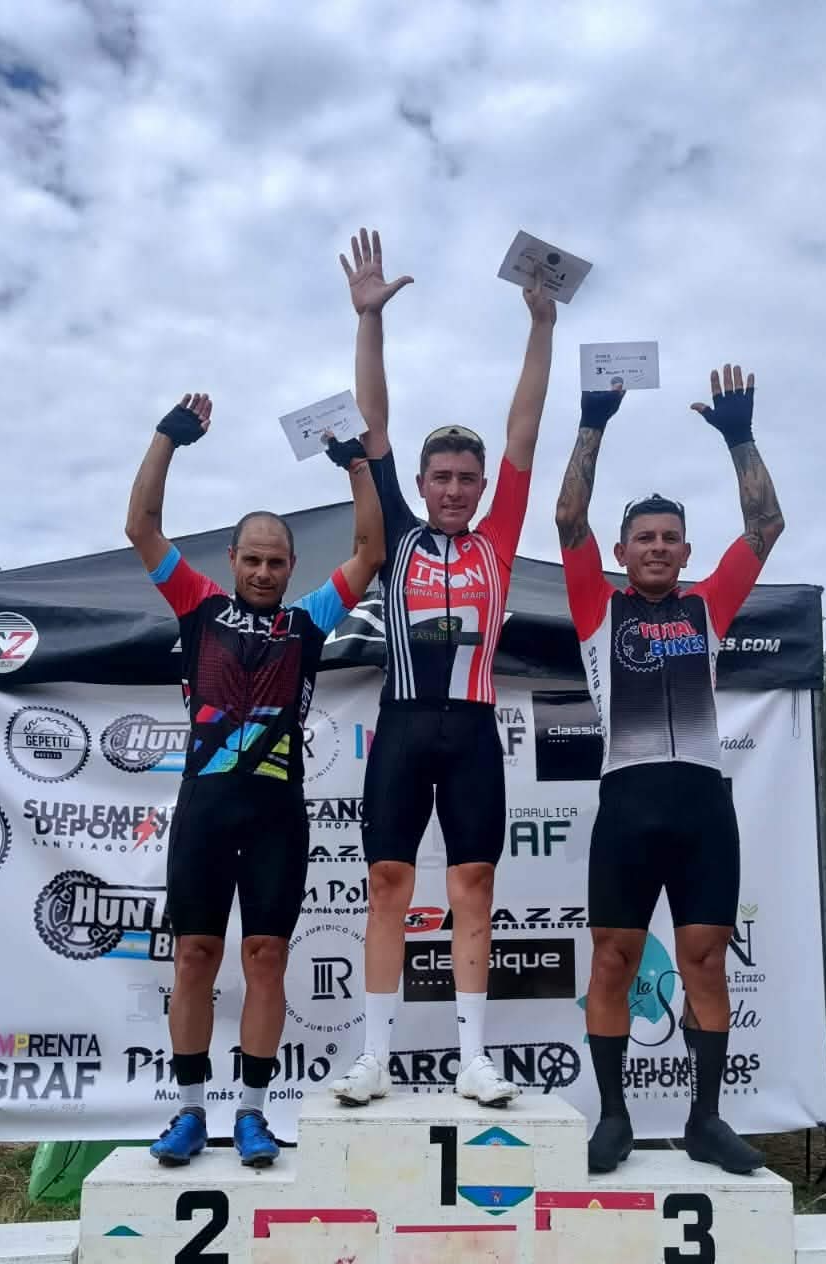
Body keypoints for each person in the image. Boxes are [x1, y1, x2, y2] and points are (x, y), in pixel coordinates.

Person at [326, 228, 556, 1110]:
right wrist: (369, 320)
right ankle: (373, 1058)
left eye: (467, 477)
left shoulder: (498, 541)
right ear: (420, 484)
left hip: (471, 730)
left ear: (481, 486)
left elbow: (524, 428)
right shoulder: (398, 535)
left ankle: (473, 1058)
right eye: (442, 477)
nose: (456, 489)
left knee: (473, 885)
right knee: (388, 884)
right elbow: (372, 424)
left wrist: (541, 326)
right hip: (402, 725)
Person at [124, 392, 385, 1167]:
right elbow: (141, 527)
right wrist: (166, 438)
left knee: (266, 958)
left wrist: (355, 465)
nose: (265, 572)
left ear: (291, 567)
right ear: (232, 560)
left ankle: (252, 1114)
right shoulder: (198, 606)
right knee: (195, 957)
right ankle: (187, 1113)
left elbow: (370, 550)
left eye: (276, 562)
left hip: (276, 816)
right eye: (253, 560)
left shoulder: (307, 621)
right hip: (204, 811)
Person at [554, 364, 785, 1174]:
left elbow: (766, 524)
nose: (656, 547)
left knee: (706, 961)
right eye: (643, 538)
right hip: (628, 803)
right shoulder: (597, 607)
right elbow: (568, 518)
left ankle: (705, 1121)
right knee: (613, 960)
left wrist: (739, 437)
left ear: (686, 551)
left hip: (700, 807)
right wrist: (593, 421)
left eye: (669, 538)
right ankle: (614, 1118)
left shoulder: (707, 605)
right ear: (621, 552)